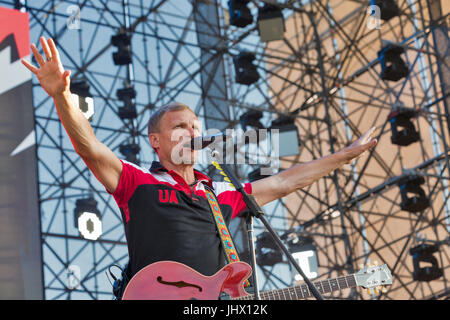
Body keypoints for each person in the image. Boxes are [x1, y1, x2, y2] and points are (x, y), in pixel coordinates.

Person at [22, 37, 377, 292]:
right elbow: (91, 148)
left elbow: (284, 183)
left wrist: (344, 156)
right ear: (156, 141)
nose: (191, 132)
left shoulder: (220, 191)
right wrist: (61, 95)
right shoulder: (138, 180)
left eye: (195, 126)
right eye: (180, 127)